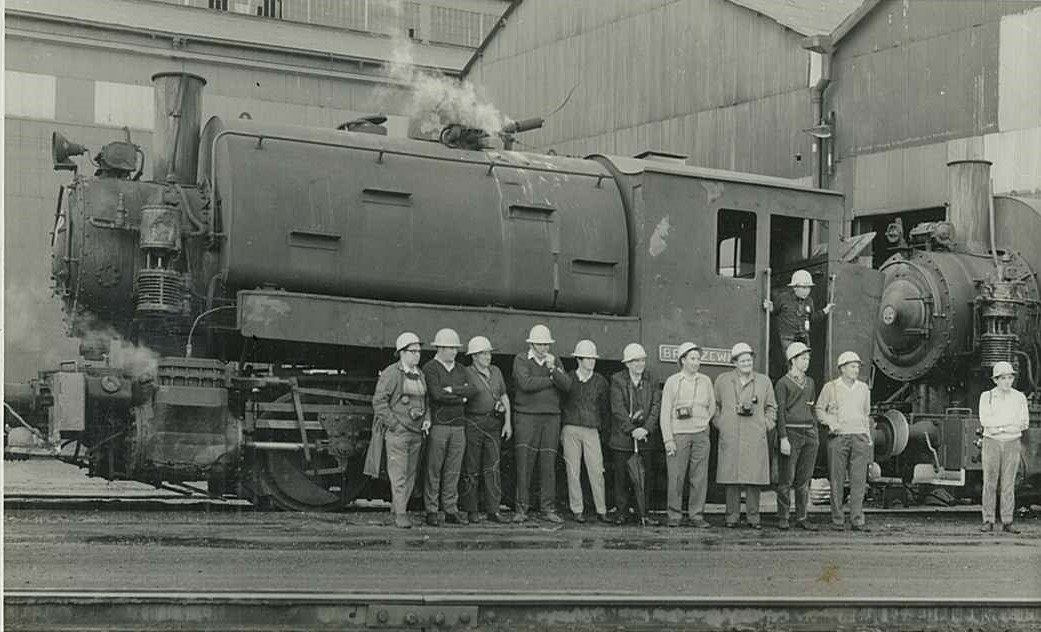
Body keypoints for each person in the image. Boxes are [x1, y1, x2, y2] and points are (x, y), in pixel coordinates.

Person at [366, 332, 431, 529]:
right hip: (399, 433)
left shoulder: (420, 374)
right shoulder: (391, 374)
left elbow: (426, 401)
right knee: (399, 474)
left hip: (416, 432)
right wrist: (394, 424)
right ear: (402, 353)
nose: (417, 355)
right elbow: (379, 402)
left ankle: (398, 509)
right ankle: (401, 515)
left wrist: (427, 419)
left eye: (419, 351)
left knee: (410, 474)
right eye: (413, 351)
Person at [712, 342, 777, 529]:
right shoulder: (723, 380)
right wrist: (721, 423)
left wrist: (766, 424)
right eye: (742, 360)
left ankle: (753, 518)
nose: (747, 363)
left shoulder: (764, 382)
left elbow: (772, 407)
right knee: (731, 477)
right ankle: (731, 517)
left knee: (753, 478)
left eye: (749, 359)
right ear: (734, 362)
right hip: (731, 434)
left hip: (754, 435)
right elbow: (714, 405)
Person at [512, 324, 570, 524]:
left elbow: (567, 385)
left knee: (548, 464)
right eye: (540, 344)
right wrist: (552, 378)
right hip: (526, 417)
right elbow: (525, 384)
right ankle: (521, 509)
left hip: (551, 417)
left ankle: (548, 508)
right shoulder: (521, 359)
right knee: (524, 463)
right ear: (532, 344)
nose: (544, 348)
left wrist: (553, 369)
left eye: (546, 344)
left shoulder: (554, 361)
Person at [422, 328, 478, 526]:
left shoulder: (461, 368)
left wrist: (453, 391)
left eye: (455, 348)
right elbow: (436, 394)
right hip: (439, 425)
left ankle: (450, 508)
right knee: (434, 468)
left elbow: (472, 390)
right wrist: (460, 398)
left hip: (458, 426)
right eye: (450, 348)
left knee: (453, 469)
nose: (454, 352)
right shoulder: (430, 368)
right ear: (440, 348)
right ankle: (431, 509)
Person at [658, 342, 715, 528]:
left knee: (699, 477)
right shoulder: (673, 381)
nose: (696, 362)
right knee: (676, 476)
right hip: (679, 435)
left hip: (700, 434)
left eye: (698, 358)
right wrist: (668, 439)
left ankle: (696, 515)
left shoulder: (705, 381)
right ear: (683, 360)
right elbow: (665, 412)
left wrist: (704, 423)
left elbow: (712, 406)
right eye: (692, 358)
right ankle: (674, 515)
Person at [815, 351, 872, 531]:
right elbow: (819, 409)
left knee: (858, 480)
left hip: (859, 437)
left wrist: (867, 436)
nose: (856, 370)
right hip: (838, 438)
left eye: (857, 367)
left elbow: (866, 413)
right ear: (842, 368)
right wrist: (831, 423)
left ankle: (857, 519)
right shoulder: (830, 387)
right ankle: (838, 519)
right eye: (853, 366)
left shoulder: (863, 388)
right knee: (837, 479)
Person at [609, 343, 663, 526]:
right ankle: (622, 512)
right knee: (622, 477)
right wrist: (632, 430)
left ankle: (643, 512)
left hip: (645, 437)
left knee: (645, 477)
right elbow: (618, 409)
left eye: (642, 360)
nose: (640, 364)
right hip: (623, 438)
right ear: (627, 363)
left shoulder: (652, 379)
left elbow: (656, 406)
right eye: (636, 361)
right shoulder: (617, 380)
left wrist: (646, 429)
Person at [461, 336, 512, 524]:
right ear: (474, 356)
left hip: (493, 423)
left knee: (493, 467)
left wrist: (508, 422)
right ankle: (471, 510)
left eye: (489, 353)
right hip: (473, 422)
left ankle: (493, 510)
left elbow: (504, 397)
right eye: (483, 353)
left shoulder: (496, 372)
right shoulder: (466, 373)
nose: (488, 356)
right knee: (471, 468)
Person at [560, 340, 610, 523]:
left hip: (591, 430)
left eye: (593, 358)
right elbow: (561, 402)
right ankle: (577, 509)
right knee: (573, 470)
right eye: (588, 358)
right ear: (579, 359)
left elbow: (605, 409)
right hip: (571, 428)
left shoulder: (600, 382)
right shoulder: (569, 378)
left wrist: (603, 432)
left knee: (596, 470)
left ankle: (601, 510)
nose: (592, 361)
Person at [978, 361, 1029, 534]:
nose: (1007, 381)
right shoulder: (987, 396)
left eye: (1010, 377)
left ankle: (1007, 521)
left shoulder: (1019, 397)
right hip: (991, 442)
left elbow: (1023, 423)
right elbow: (985, 421)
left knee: (1008, 483)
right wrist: (1007, 425)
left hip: (1011, 442)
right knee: (990, 482)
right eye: (1003, 378)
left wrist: (999, 427)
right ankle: (988, 520)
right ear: (996, 380)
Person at [774, 342, 819, 531]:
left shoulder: (810, 383)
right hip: (791, 433)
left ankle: (802, 516)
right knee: (787, 478)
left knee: (804, 479)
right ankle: (783, 517)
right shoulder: (783, 383)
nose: (807, 362)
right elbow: (780, 413)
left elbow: (812, 407)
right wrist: (783, 437)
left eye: (808, 358)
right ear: (793, 360)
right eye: (803, 358)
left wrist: (814, 429)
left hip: (809, 433)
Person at [763, 270, 834, 378]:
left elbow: (812, 318)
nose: (807, 291)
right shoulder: (783, 298)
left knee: (804, 362)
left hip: (803, 336)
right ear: (795, 287)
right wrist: (769, 307)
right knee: (791, 363)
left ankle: (800, 384)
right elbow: (774, 312)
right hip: (787, 337)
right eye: (804, 287)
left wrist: (825, 311)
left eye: (809, 288)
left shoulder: (809, 301)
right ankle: (792, 385)